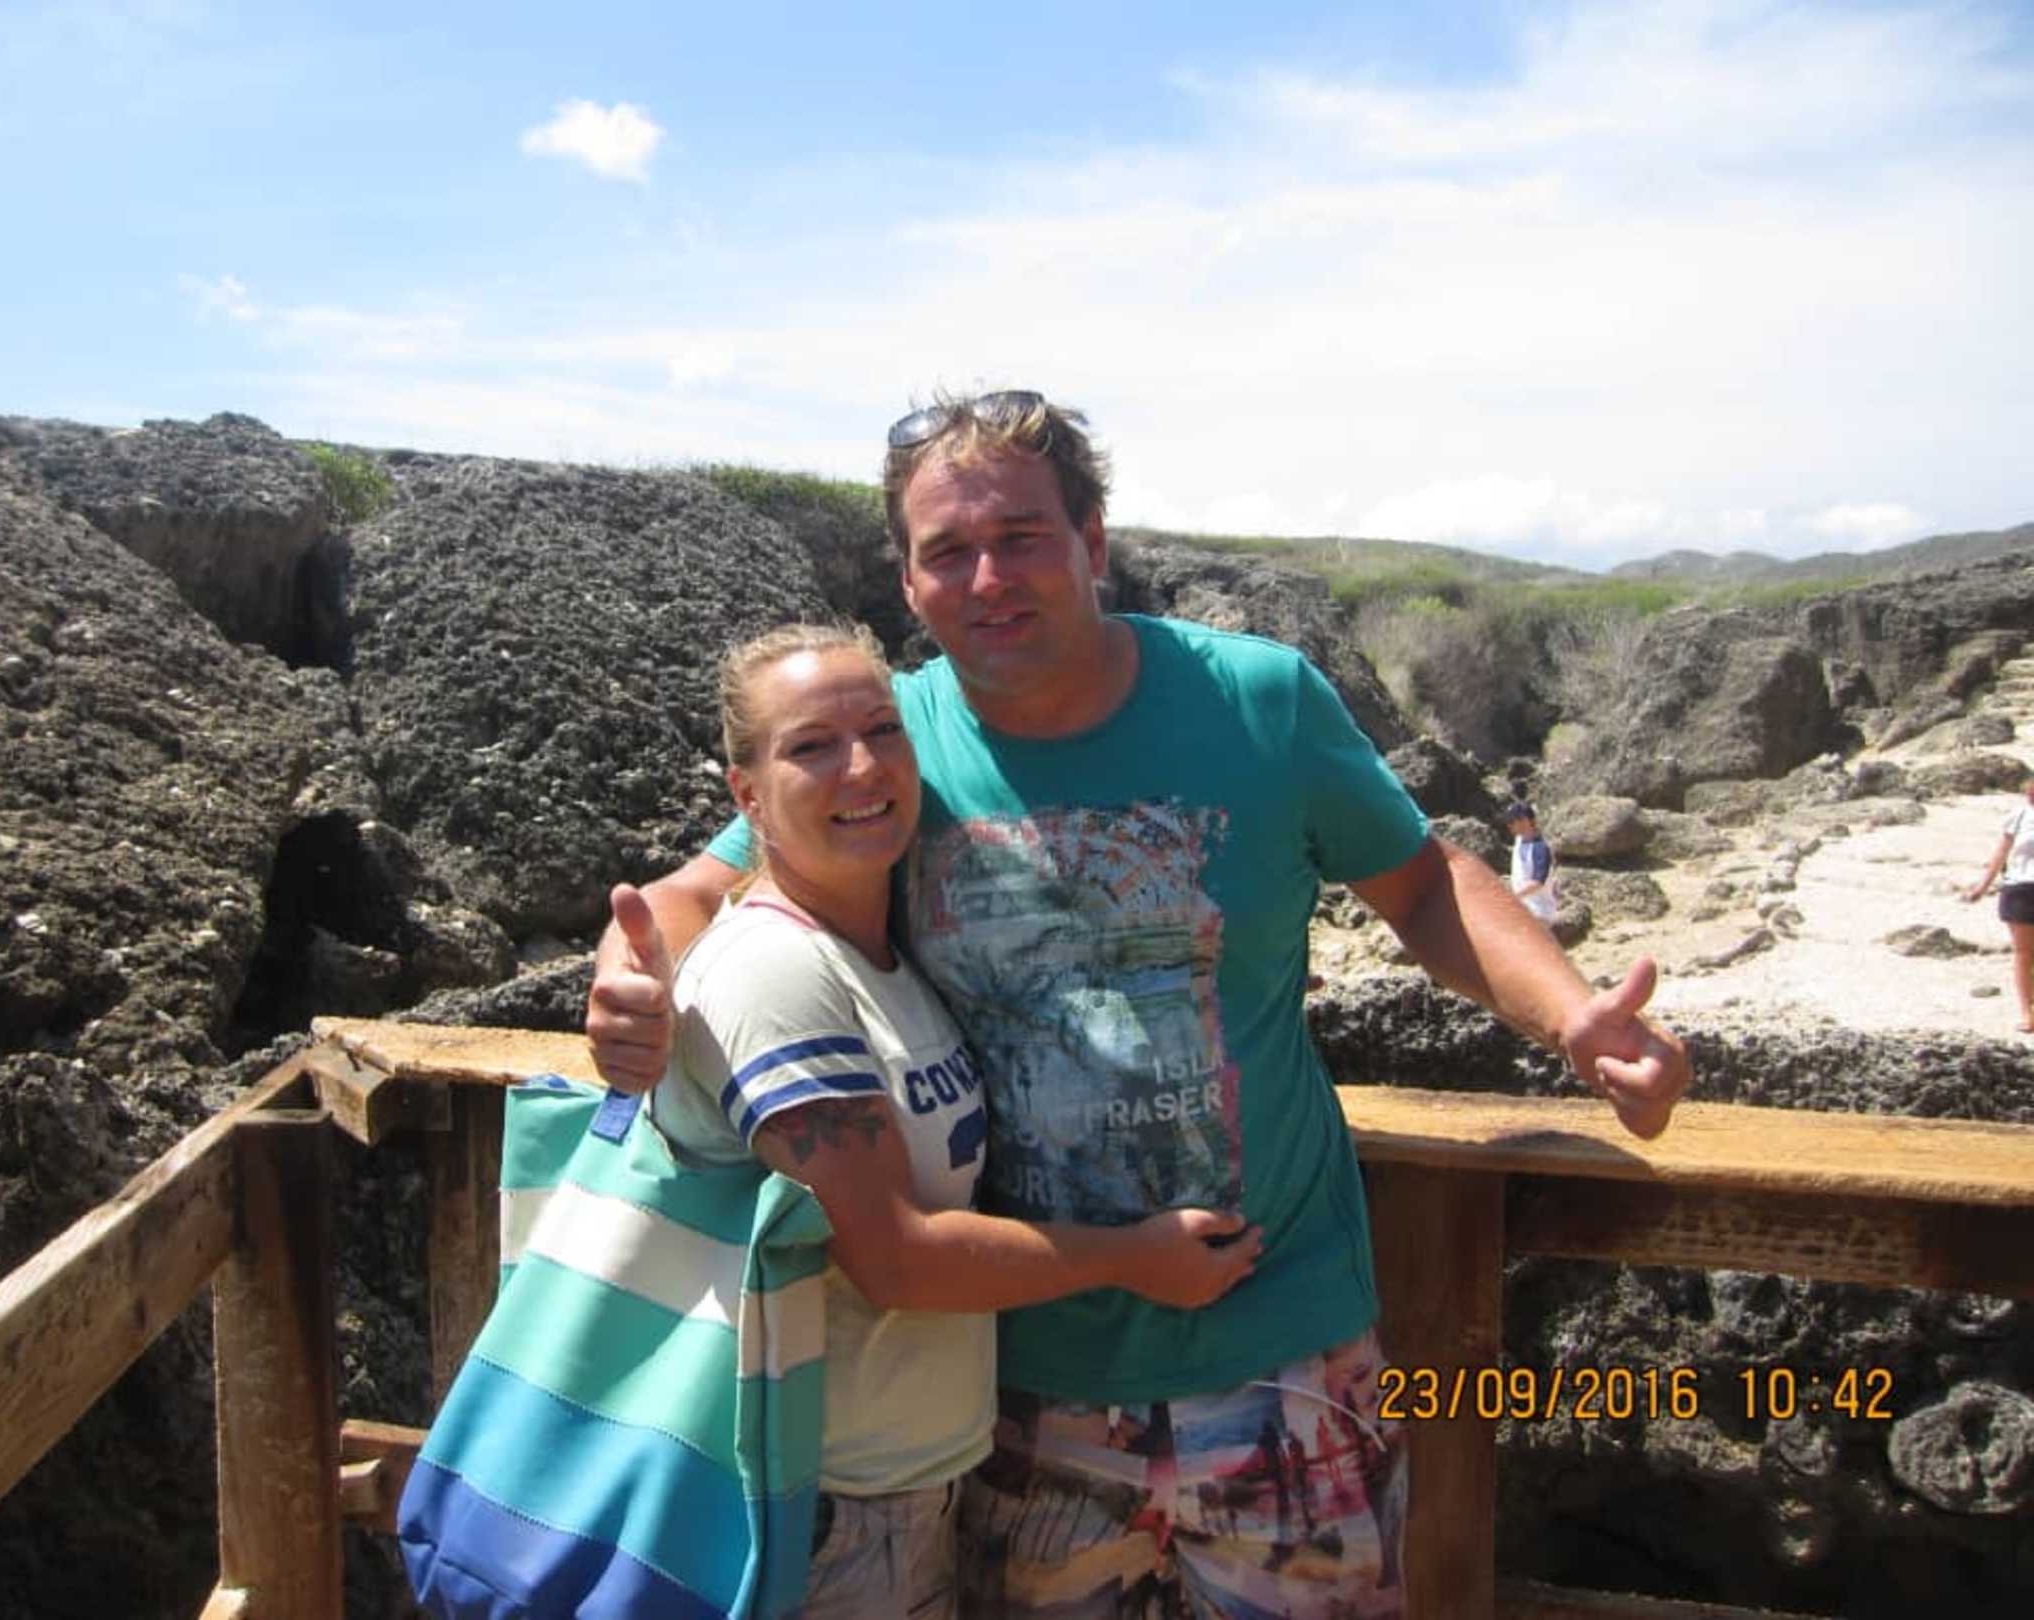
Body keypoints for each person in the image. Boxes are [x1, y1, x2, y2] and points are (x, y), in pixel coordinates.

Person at [587, 390, 1691, 1617]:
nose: (989, 578)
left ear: (1093, 540)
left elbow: (1423, 884)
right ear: (908, 581)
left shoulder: (1257, 700)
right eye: (949, 551)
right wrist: (634, 978)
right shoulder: (890, 744)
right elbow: (704, 889)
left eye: (1022, 537)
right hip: (1014, 1392)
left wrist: (1568, 1016)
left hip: (1282, 1353)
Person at [648, 620, 1260, 1620]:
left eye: (882, 731)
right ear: (747, 795)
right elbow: (897, 1259)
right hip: (827, 1512)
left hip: (905, 1494)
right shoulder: (775, 971)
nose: (861, 767)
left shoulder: (884, 959)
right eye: (812, 746)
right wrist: (1135, 1257)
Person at [1961, 769, 2034, 1032]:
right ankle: (2028, 1013)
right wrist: (1981, 888)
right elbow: (2000, 854)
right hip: (2019, 890)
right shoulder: (2019, 816)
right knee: (2024, 954)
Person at [1505, 800, 1559, 925]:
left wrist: (1513, 896)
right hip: (1523, 908)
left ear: (1524, 821)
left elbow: (1538, 882)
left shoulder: (1540, 849)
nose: (1509, 826)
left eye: (1512, 821)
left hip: (1540, 912)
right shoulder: (1519, 840)